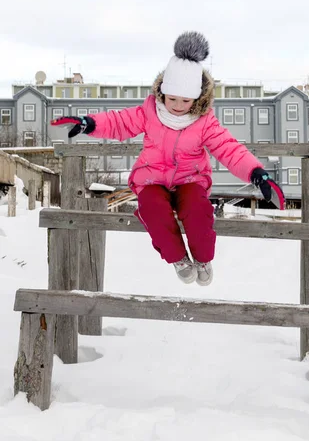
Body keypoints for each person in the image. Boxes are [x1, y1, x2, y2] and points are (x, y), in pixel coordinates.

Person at [51, 32, 285, 286]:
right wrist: (90, 123)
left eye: (185, 100)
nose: (177, 105)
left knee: (197, 209)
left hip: (190, 179)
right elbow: (120, 122)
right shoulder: (150, 111)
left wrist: (256, 172)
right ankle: (178, 258)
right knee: (151, 206)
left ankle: (203, 258)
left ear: (196, 98)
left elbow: (229, 149)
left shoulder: (204, 121)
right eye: (172, 98)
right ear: (162, 92)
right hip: (152, 179)